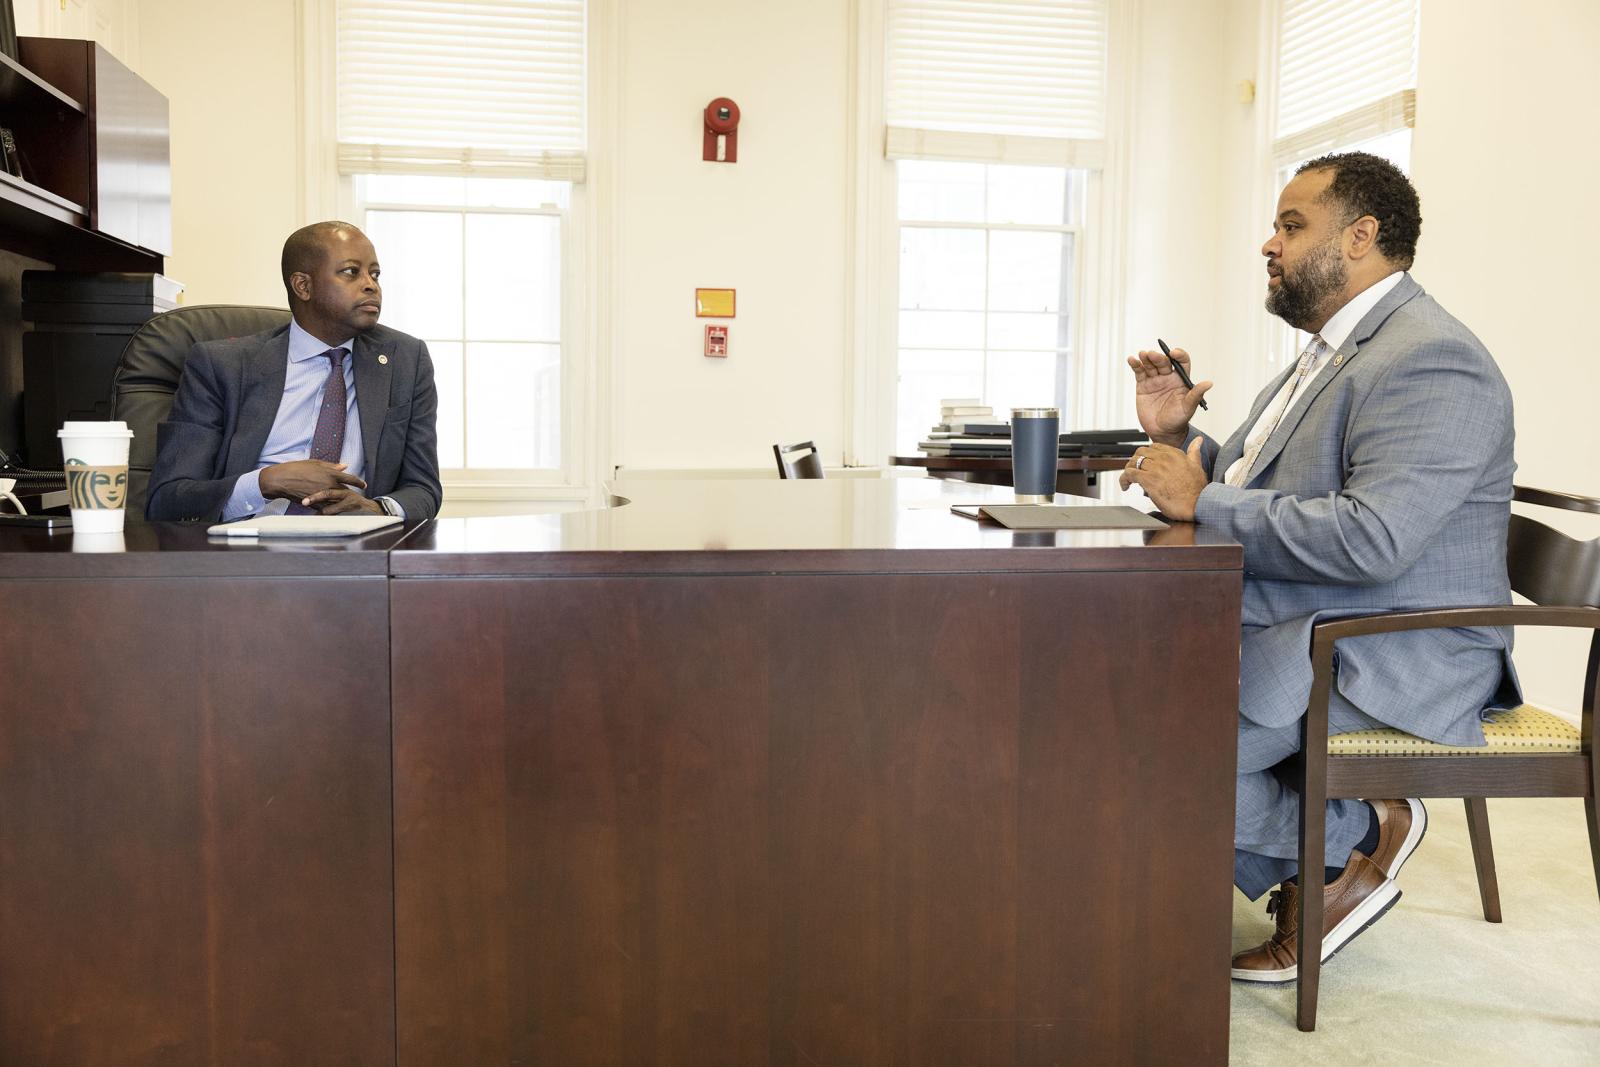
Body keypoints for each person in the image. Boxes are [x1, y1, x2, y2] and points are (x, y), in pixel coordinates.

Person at [1120, 152, 1518, 981]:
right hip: (1304, 624)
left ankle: (1354, 843)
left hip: (1398, 648)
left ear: (1362, 237)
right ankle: (1338, 849)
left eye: (1292, 226)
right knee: (1109, 704)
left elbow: (1374, 538)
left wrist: (1204, 502)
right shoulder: (1330, 352)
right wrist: (1171, 438)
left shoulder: (1431, 358)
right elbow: (1236, 482)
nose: (1270, 243)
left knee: (1145, 746)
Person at [147, 221, 441, 523]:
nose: (371, 285)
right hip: (247, 549)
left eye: (374, 274)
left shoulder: (405, 360)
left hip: (357, 551)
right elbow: (169, 499)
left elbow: (424, 487)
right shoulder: (222, 366)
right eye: (352, 272)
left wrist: (376, 510)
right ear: (303, 286)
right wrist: (266, 482)